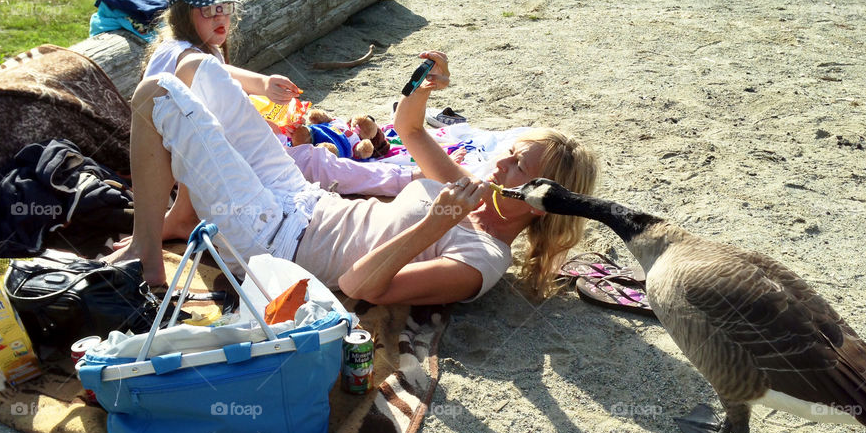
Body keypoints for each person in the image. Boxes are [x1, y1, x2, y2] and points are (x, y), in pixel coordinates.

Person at [105, 48, 598, 305]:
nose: (499, 164)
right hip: (300, 197)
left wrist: (438, 223)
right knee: (195, 65)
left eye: (517, 166)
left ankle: (146, 256)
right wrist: (420, 82)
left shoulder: (483, 260)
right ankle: (176, 219)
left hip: (273, 239)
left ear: (539, 201)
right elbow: (408, 126)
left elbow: (359, 285)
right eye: (507, 153)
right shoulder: (470, 185)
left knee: (158, 92)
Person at [137, 0, 418, 245]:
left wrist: (262, 99)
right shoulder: (175, 54)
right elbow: (187, 95)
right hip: (220, 172)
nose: (219, 16)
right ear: (181, 16)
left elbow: (217, 84)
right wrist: (261, 98)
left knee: (314, 156)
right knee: (317, 163)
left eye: (224, 6)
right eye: (207, 10)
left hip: (225, 164)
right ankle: (408, 177)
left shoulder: (201, 49)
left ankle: (406, 176)